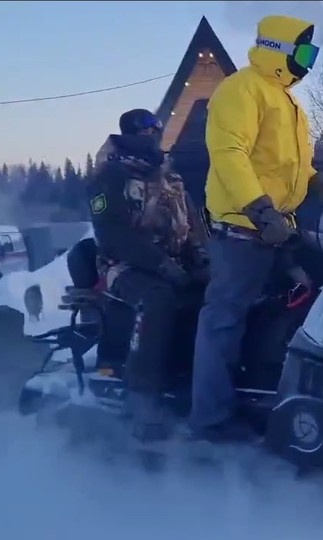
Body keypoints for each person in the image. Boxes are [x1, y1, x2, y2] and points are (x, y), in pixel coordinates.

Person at [188, 14, 323, 442]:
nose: (308, 61)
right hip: (242, 229)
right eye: (304, 51)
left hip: (279, 228)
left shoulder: (287, 100)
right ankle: (210, 420)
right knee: (224, 318)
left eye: (313, 53)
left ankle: (275, 393)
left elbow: (286, 162)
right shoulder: (242, 88)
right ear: (279, 49)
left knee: (308, 301)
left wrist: (317, 179)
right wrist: (260, 209)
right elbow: (229, 153)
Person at [87, 108, 207, 443]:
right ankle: (142, 395)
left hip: (174, 262)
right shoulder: (109, 176)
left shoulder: (170, 177)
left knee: (217, 295)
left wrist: (202, 260)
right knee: (156, 298)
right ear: (127, 133)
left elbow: (192, 225)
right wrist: (161, 264)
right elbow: (113, 234)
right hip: (122, 265)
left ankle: (199, 383)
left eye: (156, 128)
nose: (153, 133)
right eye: (144, 129)